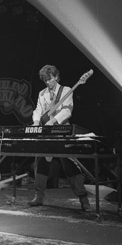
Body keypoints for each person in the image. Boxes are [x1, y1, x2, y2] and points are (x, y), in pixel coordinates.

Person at [28, 64, 92, 211]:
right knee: (41, 162)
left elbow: (67, 110)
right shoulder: (42, 93)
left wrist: (54, 121)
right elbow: (38, 110)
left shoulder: (66, 90)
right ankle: (38, 196)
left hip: (62, 131)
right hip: (46, 132)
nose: (47, 82)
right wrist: (36, 122)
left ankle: (83, 200)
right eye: (45, 80)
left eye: (50, 79)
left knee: (69, 164)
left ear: (56, 77)